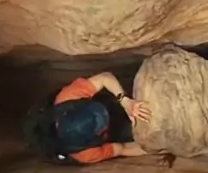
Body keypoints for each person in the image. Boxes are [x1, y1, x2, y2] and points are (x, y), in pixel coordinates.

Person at [24, 70, 158, 165]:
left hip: (87, 107)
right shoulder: (86, 153)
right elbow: (123, 148)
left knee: (113, 102)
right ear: (97, 135)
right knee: (127, 132)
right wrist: (157, 146)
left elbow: (104, 78)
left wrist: (124, 101)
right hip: (81, 140)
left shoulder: (67, 98)